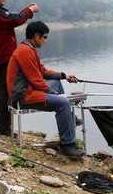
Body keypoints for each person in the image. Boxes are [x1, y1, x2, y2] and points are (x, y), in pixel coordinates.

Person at [6, 21, 84, 157]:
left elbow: (42, 71)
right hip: (23, 95)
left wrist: (63, 76)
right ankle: (68, 146)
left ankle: (69, 118)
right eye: (45, 37)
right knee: (63, 103)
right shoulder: (25, 51)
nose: (45, 40)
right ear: (36, 36)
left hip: (29, 89)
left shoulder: (29, 48)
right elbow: (36, 81)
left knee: (56, 82)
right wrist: (57, 96)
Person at [0, 0, 40, 135]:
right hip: (1, 58)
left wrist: (26, 11)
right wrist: (30, 10)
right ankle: (2, 128)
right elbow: (16, 19)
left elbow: (13, 17)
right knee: (5, 92)